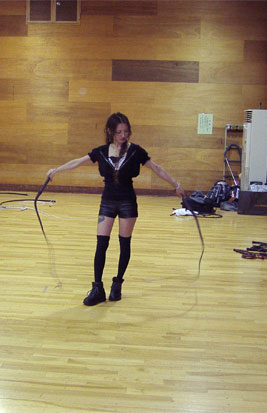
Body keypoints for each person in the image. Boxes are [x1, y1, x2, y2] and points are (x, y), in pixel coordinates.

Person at [47, 112, 185, 306]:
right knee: (101, 243)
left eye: (126, 131)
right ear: (109, 132)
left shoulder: (136, 151)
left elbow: (157, 168)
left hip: (128, 202)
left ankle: (118, 283)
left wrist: (176, 184)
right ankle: (97, 288)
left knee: (124, 243)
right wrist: (55, 171)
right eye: (119, 132)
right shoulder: (101, 151)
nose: (123, 135)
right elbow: (77, 162)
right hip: (107, 202)